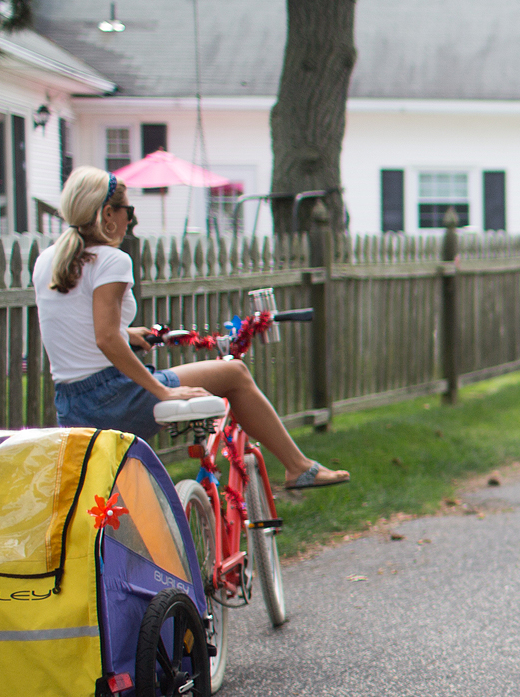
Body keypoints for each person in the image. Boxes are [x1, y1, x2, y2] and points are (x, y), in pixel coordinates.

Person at [33, 166, 349, 489]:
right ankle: (298, 467)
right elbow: (105, 338)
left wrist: (127, 333)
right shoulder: (112, 261)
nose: (132, 220)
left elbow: (75, 324)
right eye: (129, 210)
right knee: (235, 373)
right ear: (108, 214)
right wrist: (163, 391)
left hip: (70, 403)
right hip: (112, 397)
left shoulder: (48, 261)